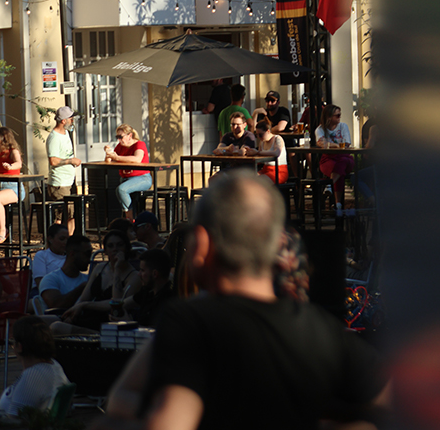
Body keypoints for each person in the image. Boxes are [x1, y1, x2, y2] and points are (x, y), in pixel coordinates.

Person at [143, 170, 389, 430]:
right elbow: (400, 403)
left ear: (201, 244)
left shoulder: (190, 322)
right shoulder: (323, 329)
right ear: (278, 245)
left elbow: (169, 422)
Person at [52, 230, 141, 334]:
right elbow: (83, 298)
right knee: (43, 321)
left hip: (107, 325)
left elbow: (117, 305)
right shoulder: (99, 268)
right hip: (87, 317)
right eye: (110, 246)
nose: (115, 249)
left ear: (126, 248)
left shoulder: (134, 276)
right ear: (105, 251)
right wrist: (73, 313)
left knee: (56, 327)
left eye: (120, 245)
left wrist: (117, 270)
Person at [0, 316, 69, 417]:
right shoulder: (54, 365)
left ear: (19, 347)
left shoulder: (33, 376)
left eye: (13, 342)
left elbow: (14, 420)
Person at [0, 127, 26, 245]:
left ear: (3, 137)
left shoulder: (13, 151)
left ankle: (2, 230)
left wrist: (10, 166)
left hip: (14, 187)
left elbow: (18, 163)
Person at [104, 124, 151, 221]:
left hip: (142, 178)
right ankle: (128, 217)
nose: (119, 140)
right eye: (117, 137)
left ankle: (129, 218)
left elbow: (137, 159)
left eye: (121, 137)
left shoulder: (139, 144)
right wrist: (108, 153)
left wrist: (117, 157)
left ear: (130, 136)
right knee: (117, 190)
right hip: (126, 178)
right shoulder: (120, 146)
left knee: (122, 190)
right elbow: (109, 161)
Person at [46, 106, 81, 234]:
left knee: (71, 214)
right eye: (71, 119)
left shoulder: (66, 134)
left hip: (69, 181)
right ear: (63, 121)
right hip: (59, 183)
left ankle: (69, 239)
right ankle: (57, 240)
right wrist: (70, 161)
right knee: (61, 216)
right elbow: (53, 161)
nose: (72, 121)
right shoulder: (54, 138)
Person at [316, 103, 354, 215]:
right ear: (329, 117)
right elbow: (320, 143)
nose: (339, 117)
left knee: (342, 163)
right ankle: (338, 204)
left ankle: (329, 185)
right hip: (328, 159)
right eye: (337, 115)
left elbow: (346, 144)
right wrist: (336, 145)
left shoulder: (343, 126)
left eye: (340, 115)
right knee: (339, 170)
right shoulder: (320, 129)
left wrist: (329, 145)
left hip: (344, 157)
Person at [120, 248, 174, 327]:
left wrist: (129, 322)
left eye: (142, 270)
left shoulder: (168, 300)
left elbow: (155, 331)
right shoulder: (148, 291)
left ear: (155, 274)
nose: (139, 274)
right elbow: (123, 304)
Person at [39, 234, 92, 309]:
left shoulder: (87, 279)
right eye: (87, 254)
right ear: (72, 254)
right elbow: (55, 305)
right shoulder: (50, 279)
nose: (89, 260)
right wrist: (83, 287)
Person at [242, 119, 288, 184]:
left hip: (279, 171)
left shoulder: (277, 138)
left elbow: (277, 153)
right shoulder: (262, 142)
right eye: (257, 135)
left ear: (268, 131)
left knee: (258, 182)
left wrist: (257, 152)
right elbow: (259, 158)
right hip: (265, 170)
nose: (259, 137)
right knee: (246, 180)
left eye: (260, 135)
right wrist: (250, 152)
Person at [32, 223, 69, 289]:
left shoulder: (69, 258)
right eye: (62, 239)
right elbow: (40, 283)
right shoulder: (41, 256)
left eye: (68, 239)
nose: (65, 242)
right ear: (50, 239)